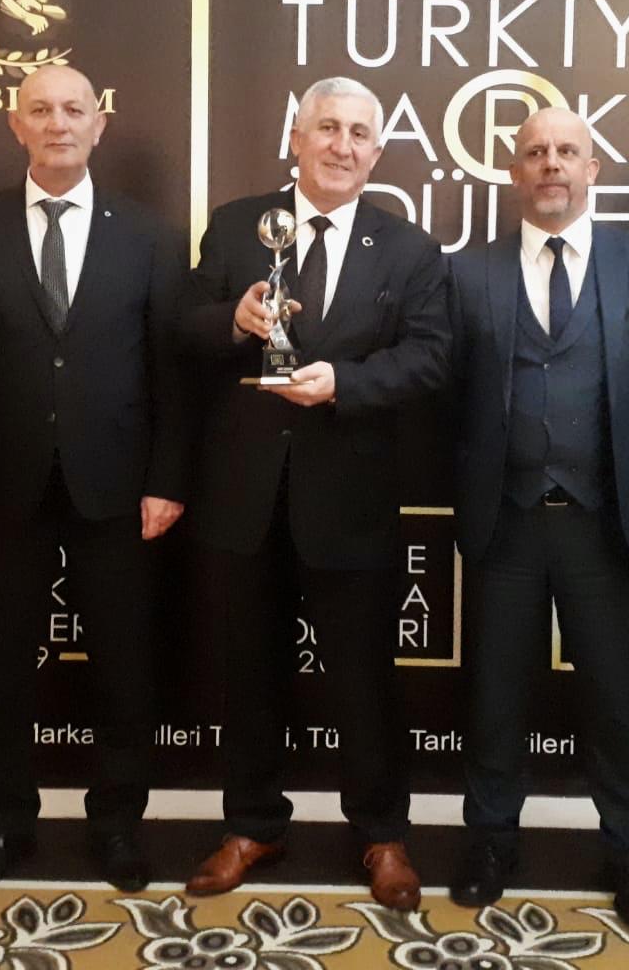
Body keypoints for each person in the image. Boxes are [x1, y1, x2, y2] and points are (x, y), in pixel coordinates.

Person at [179, 76, 448, 910]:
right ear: (295, 138)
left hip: (351, 499)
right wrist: (234, 320)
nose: (341, 145)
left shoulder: (409, 249)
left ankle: (381, 834)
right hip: (243, 497)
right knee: (246, 673)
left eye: (358, 133)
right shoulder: (238, 225)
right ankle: (252, 824)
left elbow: (431, 356)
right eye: (326, 128)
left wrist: (346, 383)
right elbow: (182, 326)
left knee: (364, 680)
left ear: (377, 151)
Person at [0, 64, 188, 894]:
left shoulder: (149, 236)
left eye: (74, 109)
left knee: (123, 667)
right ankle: (5, 823)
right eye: (40, 110)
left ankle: (116, 827)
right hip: (6, 488)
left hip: (118, 489)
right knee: (2, 666)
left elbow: (172, 374)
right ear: (17, 125)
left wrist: (167, 479)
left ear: (98, 125)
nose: (58, 123)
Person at [445, 107, 629, 920]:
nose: (551, 163)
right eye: (534, 152)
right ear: (515, 172)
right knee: (493, 696)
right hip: (503, 521)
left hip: (606, 521)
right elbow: (443, 396)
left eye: (566, 151)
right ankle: (489, 840)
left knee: (617, 700)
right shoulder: (466, 272)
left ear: (591, 169)